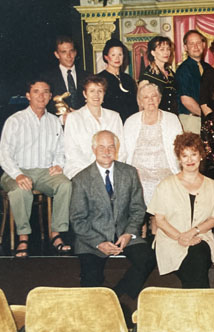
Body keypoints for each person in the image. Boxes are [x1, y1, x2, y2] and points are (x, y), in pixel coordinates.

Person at [70, 130, 156, 298]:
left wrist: (129, 233)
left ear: (116, 149)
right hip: (93, 238)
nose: (107, 151)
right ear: (93, 149)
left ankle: (119, 292)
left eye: (111, 147)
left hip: (125, 233)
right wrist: (99, 242)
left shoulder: (129, 172)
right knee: (90, 281)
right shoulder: (81, 179)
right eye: (101, 147)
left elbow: (138, 208)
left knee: (147, 259)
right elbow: (77, 219)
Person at [0, 80, 72, 257]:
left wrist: (58, 164)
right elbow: (4, 153)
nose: (41, 96)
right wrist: (17, 175)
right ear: (28, 95)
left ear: (50, 96)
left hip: (44, 172)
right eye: (36, 92)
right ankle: (23, 236)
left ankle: (56, 234)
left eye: (45, 92)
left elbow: (60, 149)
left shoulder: (54, 121)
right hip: (15, 170)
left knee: (65, 184)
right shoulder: (15, 121)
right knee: (20, 190)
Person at [147, 132, 214, 288]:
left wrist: (191, 232)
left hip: (201, 237)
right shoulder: (166, 185)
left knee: (198, 252)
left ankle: (192, 306)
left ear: (201, 155)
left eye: (193, 154)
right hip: (170, 240)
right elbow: (159, 219)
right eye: (184, 155)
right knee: (195, 264)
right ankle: (201, 305)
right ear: (179, 159)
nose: (189, 160)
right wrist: (180, 237)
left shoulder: (213, 186)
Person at [123, 81, 183, 206]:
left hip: (166, 171)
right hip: (138, 172)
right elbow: (124, 152)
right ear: (140, 101)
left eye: (154, 96)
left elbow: (179, 149)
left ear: (160, 98)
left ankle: (158, 223)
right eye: (146, 97)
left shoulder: (172, 119)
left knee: (165, 194)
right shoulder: (131, 121)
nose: (150, 100)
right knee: (137, 200)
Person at [64, 75, 125, 180]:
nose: (96, 95)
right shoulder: (74, 118)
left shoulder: (114, 117)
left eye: (100, 91)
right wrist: (96, 170)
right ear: (85, 94)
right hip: (81, 168)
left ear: (104, 94)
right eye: (92, 91)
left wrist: (111, 167)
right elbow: (72, 151)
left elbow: (121, 147)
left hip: (110, 167)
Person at [42, 35, 89, 114]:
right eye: (64, 52)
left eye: (71, 51)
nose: (69, 56)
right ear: (57, 54)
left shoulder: (87, 76)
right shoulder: (47, 78)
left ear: (75, 52)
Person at [176, 29, 210, 134]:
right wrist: (207, 116)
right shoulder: (183, 69)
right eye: (191, 43)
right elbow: (186, 100)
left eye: (198, 42)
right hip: (191, 120)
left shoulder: (208, 68)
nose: (196, 46)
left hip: (206, 120)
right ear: (185, 47)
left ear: (204, 44)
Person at [97, 39, 138, 122]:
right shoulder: (99, 79)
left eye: (120, 54)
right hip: (110, 123)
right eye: (113, 55)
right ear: (106, 57)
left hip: (129, 123)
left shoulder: (128, 79)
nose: (117, 58)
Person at [139, 36, 177, 114]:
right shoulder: (147, 75)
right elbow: (141, 105)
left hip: (172, 118)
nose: (166, 52)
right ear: (153, 53)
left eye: (168, 49)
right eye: (162, 49)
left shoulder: (171, 74)